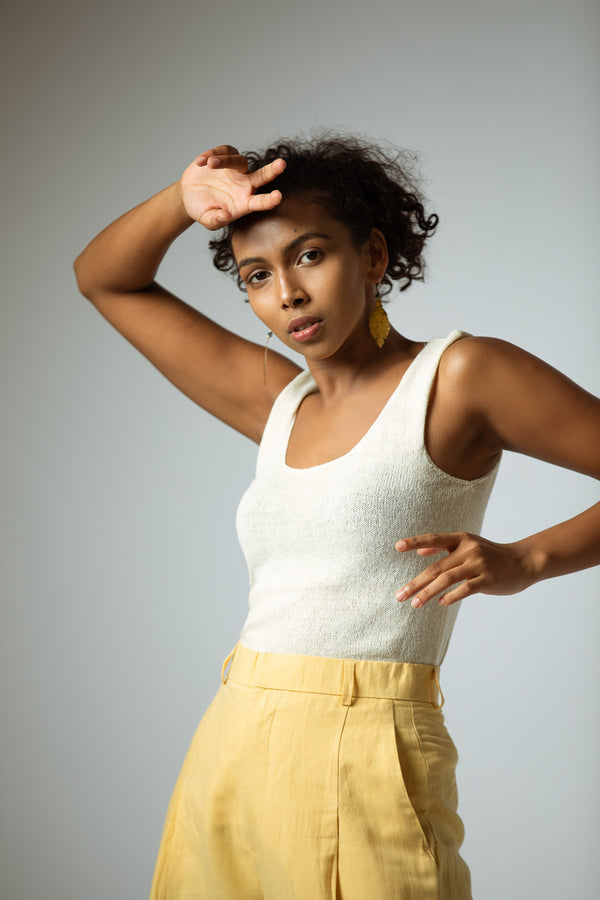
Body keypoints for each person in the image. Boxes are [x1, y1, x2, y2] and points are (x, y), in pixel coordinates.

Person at [73, 136, 600, 900]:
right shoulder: (278, 404)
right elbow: (106, 280)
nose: (286, 291)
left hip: (369, 747)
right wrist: (183, 203)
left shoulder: (458, 376)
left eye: (310, 255)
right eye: (258, 275)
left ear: (374, 257)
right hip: (235, 736)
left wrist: (531, 558)